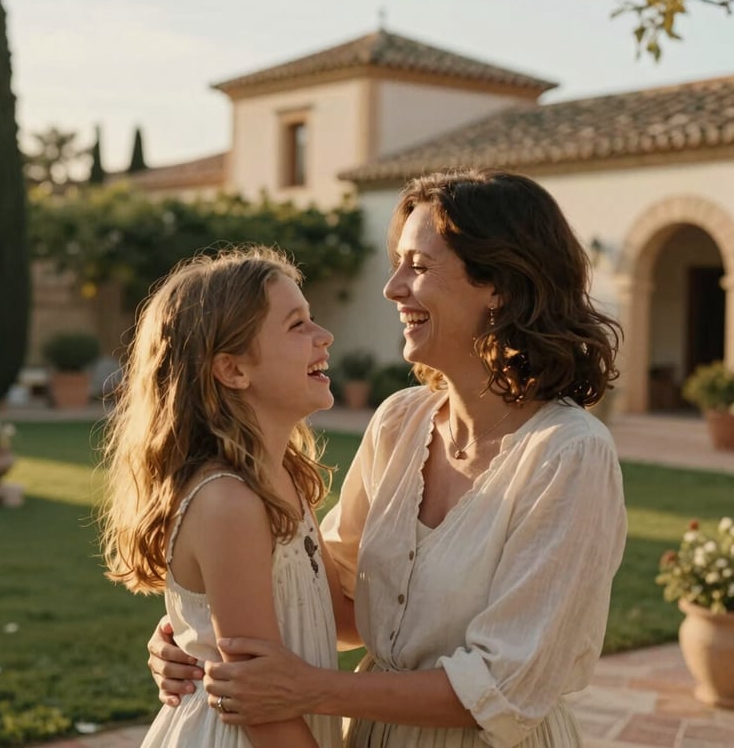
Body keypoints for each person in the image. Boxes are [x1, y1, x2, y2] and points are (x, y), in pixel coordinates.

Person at [147, 169, 628, 748]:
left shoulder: (569, 454)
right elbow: (347, 610)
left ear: (498, 285)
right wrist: (199, 635)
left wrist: (304, 689)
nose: (393, 287)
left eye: (418, 267)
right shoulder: (400, 421)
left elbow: (506, 687)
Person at [99, 245, 346, 747]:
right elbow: (259, 704)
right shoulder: (228, 503)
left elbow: (335, 615)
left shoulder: (282, 479)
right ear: (232, 370)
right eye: (297, 325)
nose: (324, 336)